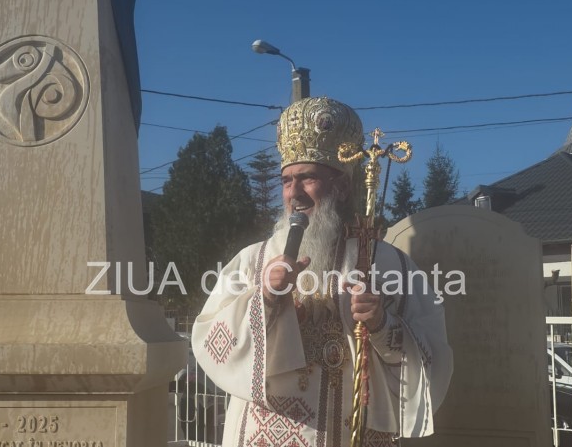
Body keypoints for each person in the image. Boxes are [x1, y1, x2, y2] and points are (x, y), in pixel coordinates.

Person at [191, 96, 452, 447]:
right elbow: (211, 342)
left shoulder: (390, 265)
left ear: (341, 186)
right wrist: (264, 299)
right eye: (287, 181)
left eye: (307, 178)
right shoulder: (252, 261)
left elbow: (433, 359)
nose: (294, 193)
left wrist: (380, 325)